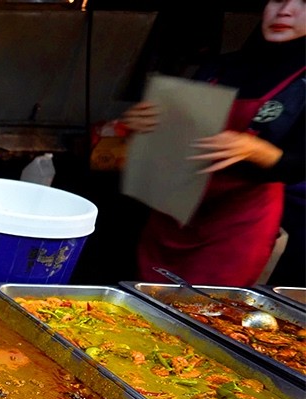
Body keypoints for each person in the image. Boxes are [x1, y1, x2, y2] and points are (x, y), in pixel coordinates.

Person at [125, 0, 304, 286]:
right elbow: (178, 140)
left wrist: (259, 151)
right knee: (140, 303)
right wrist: (145, 125)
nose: (285, 10)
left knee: (205, 314)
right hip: (176, 213)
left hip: (237, 224)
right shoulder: (219, 67)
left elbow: (299, 166)